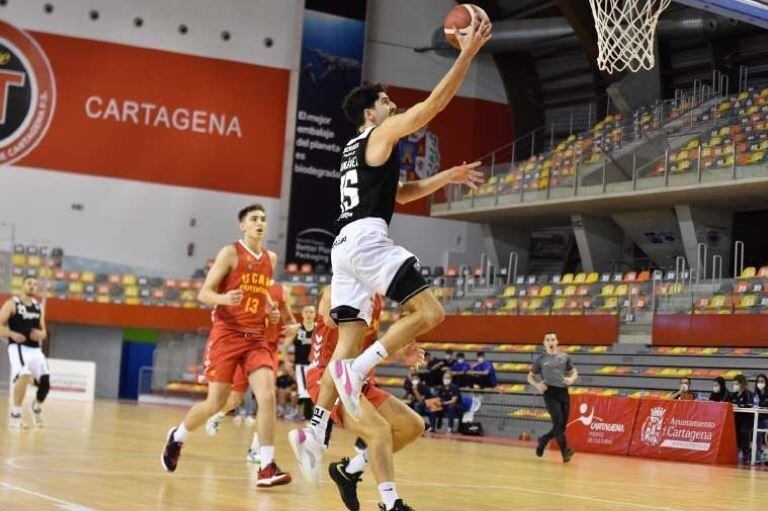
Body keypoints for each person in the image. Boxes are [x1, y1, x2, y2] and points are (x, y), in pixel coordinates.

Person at [291, 18, 491, 489]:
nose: (392, 105)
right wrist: (466, 55)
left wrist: (446, 178)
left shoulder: (355, 148)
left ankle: (315, 432)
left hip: (343, 247)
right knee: (430, 311)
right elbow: (433, 106)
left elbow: (399, 194)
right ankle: (358, 372)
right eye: (385, 102)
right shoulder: (380, 134)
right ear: (370, 113)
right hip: (365, 239)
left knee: (345, 342)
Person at [160, 204, 291, 487]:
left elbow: (261, 289)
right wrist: (224, 299)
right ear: (241, 225)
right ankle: (178, 436)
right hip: (227, 335)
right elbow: (204, 293)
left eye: (263, 219)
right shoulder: (230, 253)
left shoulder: (270, 257)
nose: (260, 223)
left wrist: (270, 308)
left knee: (267, 396)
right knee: (216, 402)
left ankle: (266, 466)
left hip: (255, 337)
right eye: (254, 219)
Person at [293, 286, 425, 511]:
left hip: (358, 379)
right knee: (379, 431)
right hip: (328, 378)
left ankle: (349, 471)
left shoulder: (376, 300)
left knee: (413, 426)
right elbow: (328, 315)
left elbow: (370, 347)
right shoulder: (336, 288)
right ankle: (390, 502)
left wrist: (398, 353)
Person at [0, 276, 49, 428]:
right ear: (22, 285)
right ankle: (16, 415)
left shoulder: (38, 307)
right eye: (29, 283)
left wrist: (41, 335)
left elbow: (44, 331)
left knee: (45, 384)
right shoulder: (12, 304)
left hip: (35, 349)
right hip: (18, 347)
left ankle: (35, 406)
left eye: (35, 284)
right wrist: (12, 334)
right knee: (24, 374)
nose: (32, 286)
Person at [527, 332, 577, 463]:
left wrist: (571, 379)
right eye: (548, 339)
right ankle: (565, 450)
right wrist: (537, 385)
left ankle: (543, 440)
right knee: (558, 421)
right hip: (549, 392)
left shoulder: (565, 357)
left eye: (553, 339)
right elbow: (530, 376)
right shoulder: (541, 359)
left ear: (557, 342)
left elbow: (574, 372)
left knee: (561, 426)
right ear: (544, 343)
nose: (550, 341)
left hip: (563, 392)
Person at [290, 305, 316, 420]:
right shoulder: (297, 329)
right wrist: (286, 362)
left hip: (315, 365)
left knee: (312, 392)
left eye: (311, 312)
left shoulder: (319, 329)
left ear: (315, 314)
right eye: (306, 311)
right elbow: (285, 347)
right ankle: (306, 416)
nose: (309, 314)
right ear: (302, 314)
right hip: (300, 365)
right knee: (304, 391)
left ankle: (307, 415)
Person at [729, 373, 754, 461]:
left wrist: (739, 405)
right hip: (736, 419)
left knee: (743, 430)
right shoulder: (733, 394)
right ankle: (735, 450)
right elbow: (727, 403)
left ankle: (745, 451)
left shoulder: (748, 393)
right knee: (731, 430)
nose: (735, 386)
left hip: (747, 419)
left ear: (742, 384)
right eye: (734, 384)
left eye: (737, 384)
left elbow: (749, 405)